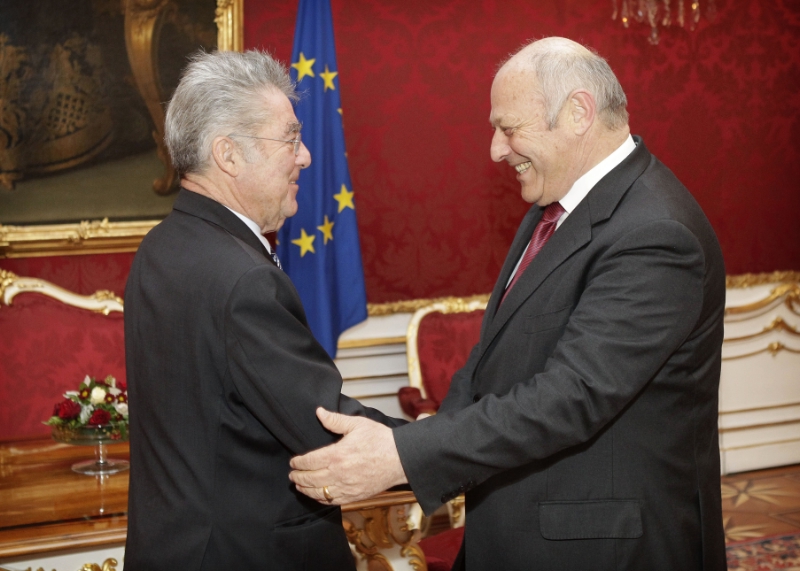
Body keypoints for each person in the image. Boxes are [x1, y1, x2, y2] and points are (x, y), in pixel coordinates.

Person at [289, 37, 727, 570]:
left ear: (578, 113)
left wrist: (403, 457)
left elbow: (571, 396)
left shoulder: (656, 232)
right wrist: (408, 442)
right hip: (521, 527)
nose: (497, 149)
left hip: (603, 547)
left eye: (509, 128)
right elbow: (493, 359)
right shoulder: (553, 206)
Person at [124, 50, 403, 571]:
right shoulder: (243, 278)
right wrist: (448, 443)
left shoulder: (161, 246)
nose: (306, 157)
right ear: (228, 155)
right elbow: (325, 427)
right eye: (290, 139)